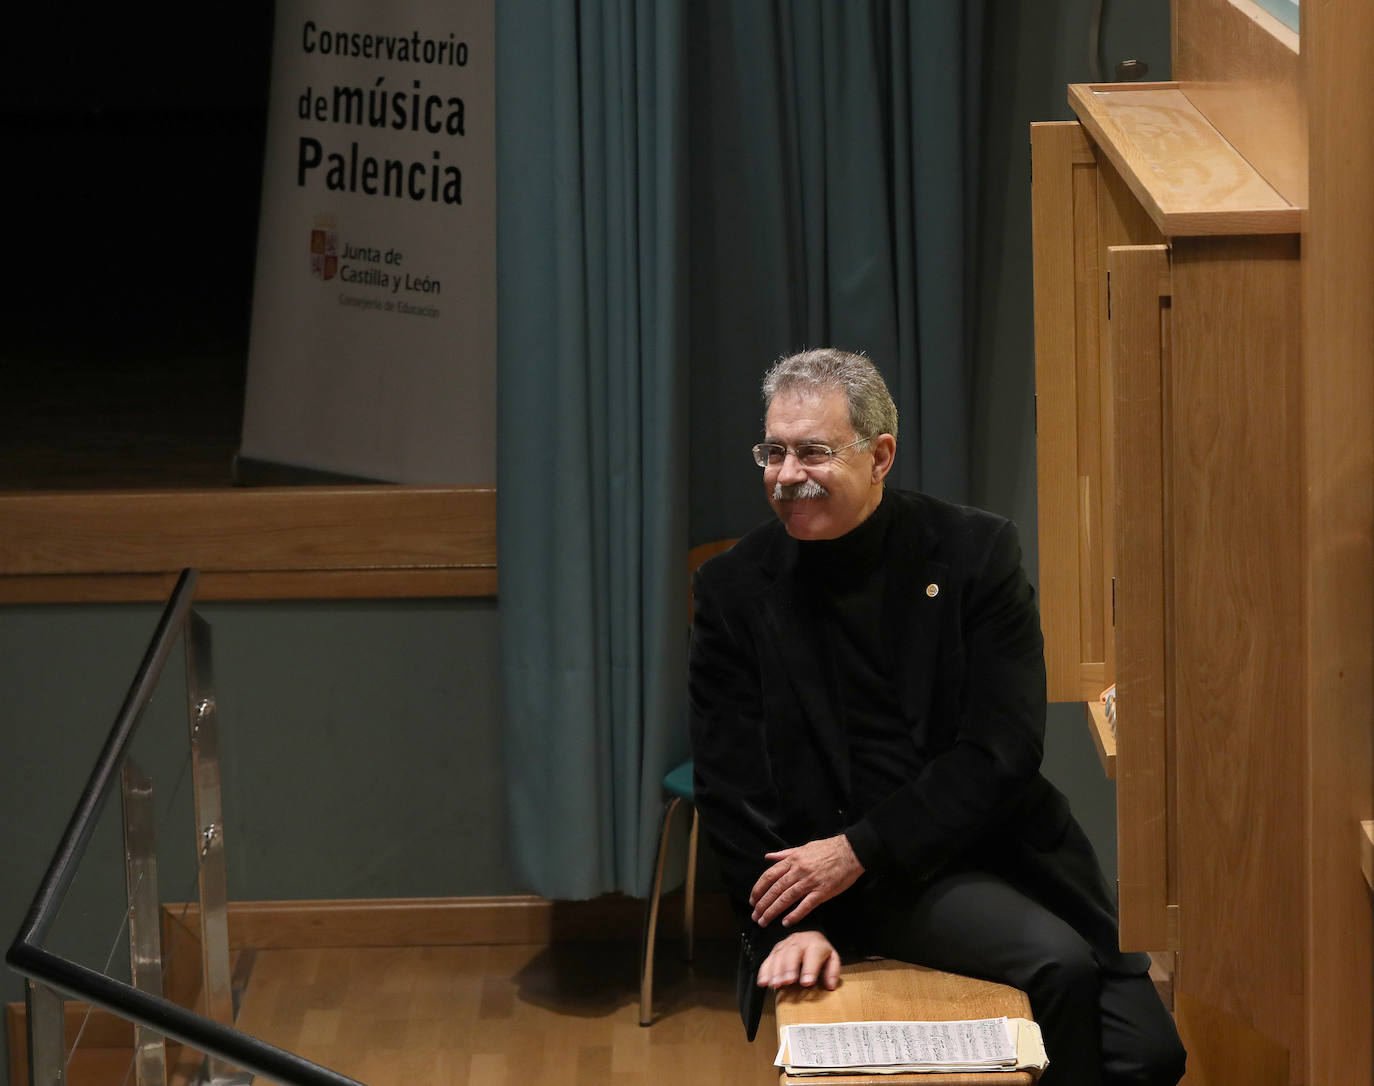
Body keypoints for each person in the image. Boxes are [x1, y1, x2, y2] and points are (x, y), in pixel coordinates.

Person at [688, 348, 1185, 1085]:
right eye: (775, 451)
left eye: (814, 452)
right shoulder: (734, 589)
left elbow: (1003, 748)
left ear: (880, 455)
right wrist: (792, 925)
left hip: (995, 844)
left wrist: (857, 846)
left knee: (1151, 1055)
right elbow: (731, 784)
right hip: (867, 884)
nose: (787, 476)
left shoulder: (974, 553)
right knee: (1059, 967)